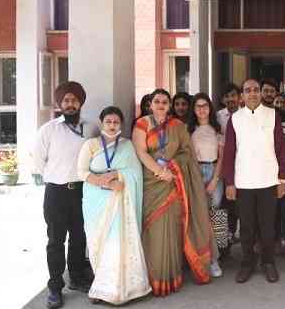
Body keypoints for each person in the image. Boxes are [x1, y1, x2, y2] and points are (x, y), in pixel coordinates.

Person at [132, 88, 214, 296]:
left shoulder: (178, 126)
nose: (161, 105)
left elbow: (187, 152)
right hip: (152, 183)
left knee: (173, 229)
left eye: (164, 102)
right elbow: (140, 151)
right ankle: (153, 277)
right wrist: (159, 170)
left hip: (174, 183)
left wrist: (172, 168)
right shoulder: (141, 124)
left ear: (169, 106)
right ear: (150, 104)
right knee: (154, 230)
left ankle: (172, 276)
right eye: (157, 101)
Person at [34, 81, 99, 309]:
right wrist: (56, 178)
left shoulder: (91, 128)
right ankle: (54, 286)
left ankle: (77, 278)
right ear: (60, 104)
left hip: (82, 191)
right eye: (66, 100)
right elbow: (38, 162)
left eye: (74, 100)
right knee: (55, 240)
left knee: (79, 237)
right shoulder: (49, 129)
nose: (70, 104)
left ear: (80, 102)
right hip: (56, 192)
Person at [77, 106, 151, 305]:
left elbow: (135, 172)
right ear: (102, 123)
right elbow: (81, 173)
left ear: (121, 124)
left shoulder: (127, 145)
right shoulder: (91, 145)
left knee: (118, 244)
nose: (112, 125)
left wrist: (119, 176)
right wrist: (105, 181)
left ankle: (128, 288)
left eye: (116, 122)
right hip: (96, 200)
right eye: (108, 121)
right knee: (98, 244)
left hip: (120, 202)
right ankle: (101, 288)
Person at [222, 79, 285, 284]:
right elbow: (229, 153)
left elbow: (280, 149)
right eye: (247, 90)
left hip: (269, 180)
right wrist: (230, 182)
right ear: (242, 95)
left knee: (268, 226)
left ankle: (268, 262)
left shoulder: (273, 115)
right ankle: (247, 263)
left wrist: (282, 179)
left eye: (256, 90)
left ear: (261, 93)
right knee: (247, 227)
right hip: (243, 182)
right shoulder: (235, 119)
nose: (252, 93)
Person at [188, 92, 226, 278]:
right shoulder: (189, 130)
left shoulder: (216, 129)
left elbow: (222, 157)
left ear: (210, 108)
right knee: (199, 217)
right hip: (196, 172)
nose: (202, 109)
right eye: (198, 106)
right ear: (193, 109)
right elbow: (190, 158)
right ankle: (200, 259)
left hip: (214, 172)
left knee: (214, 214)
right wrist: (197, 180)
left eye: (205, 105)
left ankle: (214, 259)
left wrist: (214, 180)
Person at [216, 83, 241, 248]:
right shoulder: (217, 116)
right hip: (223, 165)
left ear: (239, 97)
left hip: (243, 165)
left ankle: (243, 238)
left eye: (233, 95)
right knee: (224, 204)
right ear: (223, 99)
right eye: (227, 96)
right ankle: (223, 242)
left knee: (242, 203)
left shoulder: (246, 115)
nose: (230, 99)